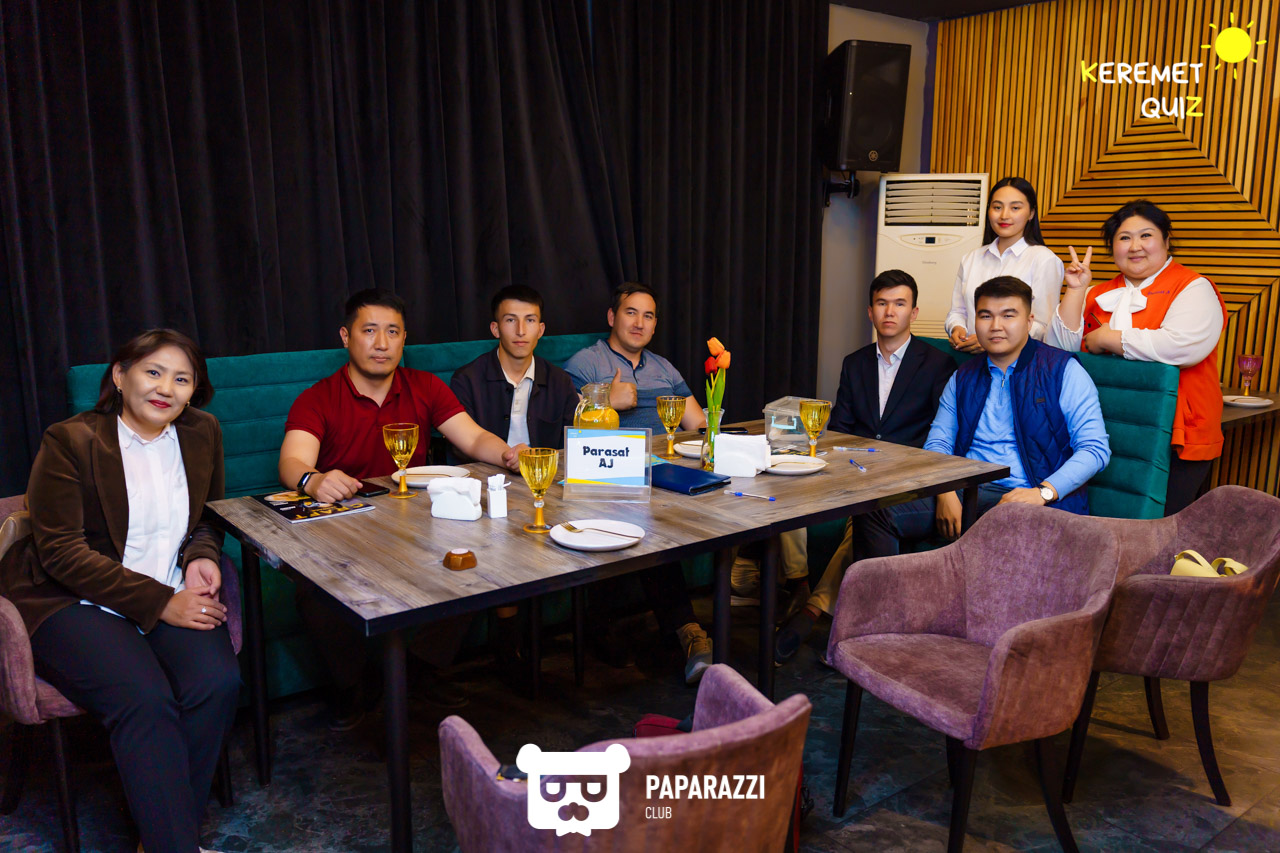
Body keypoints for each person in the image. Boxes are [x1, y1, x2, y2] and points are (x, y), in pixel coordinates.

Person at [0, 329, 241, 853]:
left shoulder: (203, 432)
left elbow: (208, 517)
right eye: (153, 372)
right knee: (144, 698)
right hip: (71, 598)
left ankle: (161, 837)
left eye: (182, 379)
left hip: (168, 586)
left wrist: (201, 555)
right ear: (119, 375)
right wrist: (161, 603)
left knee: (217, 682)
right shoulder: (71, 440)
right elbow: (61, 552)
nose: (166, 388)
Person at [277, 289, 524, 727]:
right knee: (311, 590)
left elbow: (472, 437)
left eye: (392, 332)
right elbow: (292, 461)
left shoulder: (424, 386)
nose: (381, 343)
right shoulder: (319, 397)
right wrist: (313, 480)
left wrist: (506, 454)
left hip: (415, 522)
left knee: (475, 562)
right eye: (369, 331)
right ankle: (356, 687)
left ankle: (417, 671)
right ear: (346, 337)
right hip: (345, 528)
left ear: (404, 339)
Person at [775, 270, 957, 662]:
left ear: (914, 312)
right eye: (881, 303)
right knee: (782, 485)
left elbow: (941, 434)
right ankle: (798, 582)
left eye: (899, 303)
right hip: (853, 470)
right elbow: (841, 428)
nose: (890, 312)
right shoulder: (854, 363)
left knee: (865, 517)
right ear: (870, 312)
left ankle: (813, 610)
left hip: (904, 479)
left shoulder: (938, 364)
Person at [563, 283, 713, 684]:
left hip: (665, 474)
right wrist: (605, 401)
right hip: (610, 477)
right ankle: (687, 631)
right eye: (631, 312)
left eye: (648, 316)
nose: (639, 323)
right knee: (648, 522)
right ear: (612, 317)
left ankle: (695, 622)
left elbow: (697, 423)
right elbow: (566, 426)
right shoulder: (585, 363)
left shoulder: (664, 368)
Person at [1048, 199, 1226, 515]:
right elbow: (1058, 351)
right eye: (1124, 238)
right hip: (1104, 427)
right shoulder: (1097, 292)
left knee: (1161, 525)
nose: (1135, 247)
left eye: (1146, 236)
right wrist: (1075, 290)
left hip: (1177, 432)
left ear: (1166, 240)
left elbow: (1182, 346)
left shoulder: (1192, 286)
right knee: (1102, 522)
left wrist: (1109, 338)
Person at [449, 284, 579, 674]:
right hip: (488, 491)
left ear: (541, 329)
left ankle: (587, 636)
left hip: (547, 490)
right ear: (495, 328)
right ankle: (510, 648)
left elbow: (575, 445)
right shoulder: (468, 379)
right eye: (510, 320)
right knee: (502, 541)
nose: (521, 330)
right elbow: (461, 450)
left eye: (530, 320)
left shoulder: (559, 382)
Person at [946, 176, 1064, 353]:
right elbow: (957, 312)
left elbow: (1042, 325)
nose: (1004, 215)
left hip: (1017, 361)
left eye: (1015, 208)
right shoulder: (971, 258)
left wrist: (991, 339)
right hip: (969, 357)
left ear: (1031, 213)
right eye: (997, 207)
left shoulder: (1044, 259)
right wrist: (957, 329)